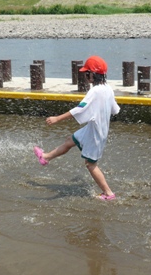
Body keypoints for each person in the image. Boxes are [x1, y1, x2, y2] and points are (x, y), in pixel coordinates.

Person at [33, 55, 120, 201]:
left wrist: (57, 118)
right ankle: (45, 157)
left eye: (87, 73)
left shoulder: (95, 91)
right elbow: (115, 110)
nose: (86, 76)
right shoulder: (108, 88)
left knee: (90, 164)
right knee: (70, 141)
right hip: (95, 128)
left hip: (95, 133)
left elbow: (79, 109)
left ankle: (108, 193)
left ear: (92, 74)